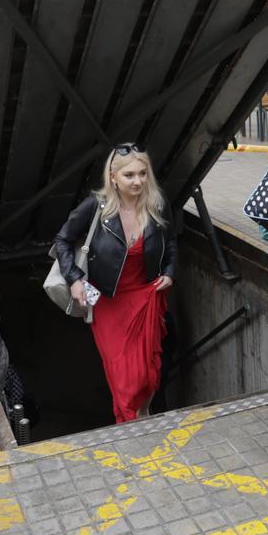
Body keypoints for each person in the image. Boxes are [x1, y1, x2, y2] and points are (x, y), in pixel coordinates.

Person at [54, 144, 177, 423]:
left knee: (147, 373)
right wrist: (74, 278)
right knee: (125, 379)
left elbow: (171, 241)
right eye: (130, 175)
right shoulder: (95, 207)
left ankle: (143, 415)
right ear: (113, 177)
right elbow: (62, 239)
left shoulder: (156, 204)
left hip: (146, 297)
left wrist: (169, 271)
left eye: (143, 174)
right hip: (109, 302)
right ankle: (128, 426)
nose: (138, 181)